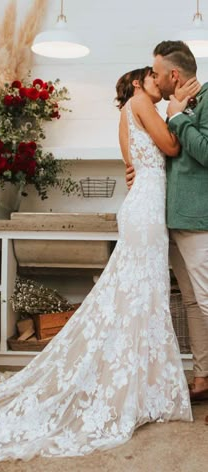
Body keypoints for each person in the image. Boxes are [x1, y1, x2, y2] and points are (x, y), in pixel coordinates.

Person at [0, 67, 192, 465]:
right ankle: (132, 390)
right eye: (153, 77)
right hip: (145, 211)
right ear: (140, 83)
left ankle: (137, 387)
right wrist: (178, 108)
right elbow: (172, 148)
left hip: (142, 205)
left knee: (138, 298)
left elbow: (144, 159)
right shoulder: (142, 103)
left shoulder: (129, 110)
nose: (160, 82)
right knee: (139, 297)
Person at [126, 41, 208, 403]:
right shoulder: (173, 106)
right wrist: (139, 173)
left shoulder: (202, 101)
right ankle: (203, 378)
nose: (154, 80)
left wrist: (177, 115)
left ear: (174, 74)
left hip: (197, 218)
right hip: (169, 217)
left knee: (207, 300)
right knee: (191, 301)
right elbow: (165, 150)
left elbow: (205, 151)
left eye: (158, 73)